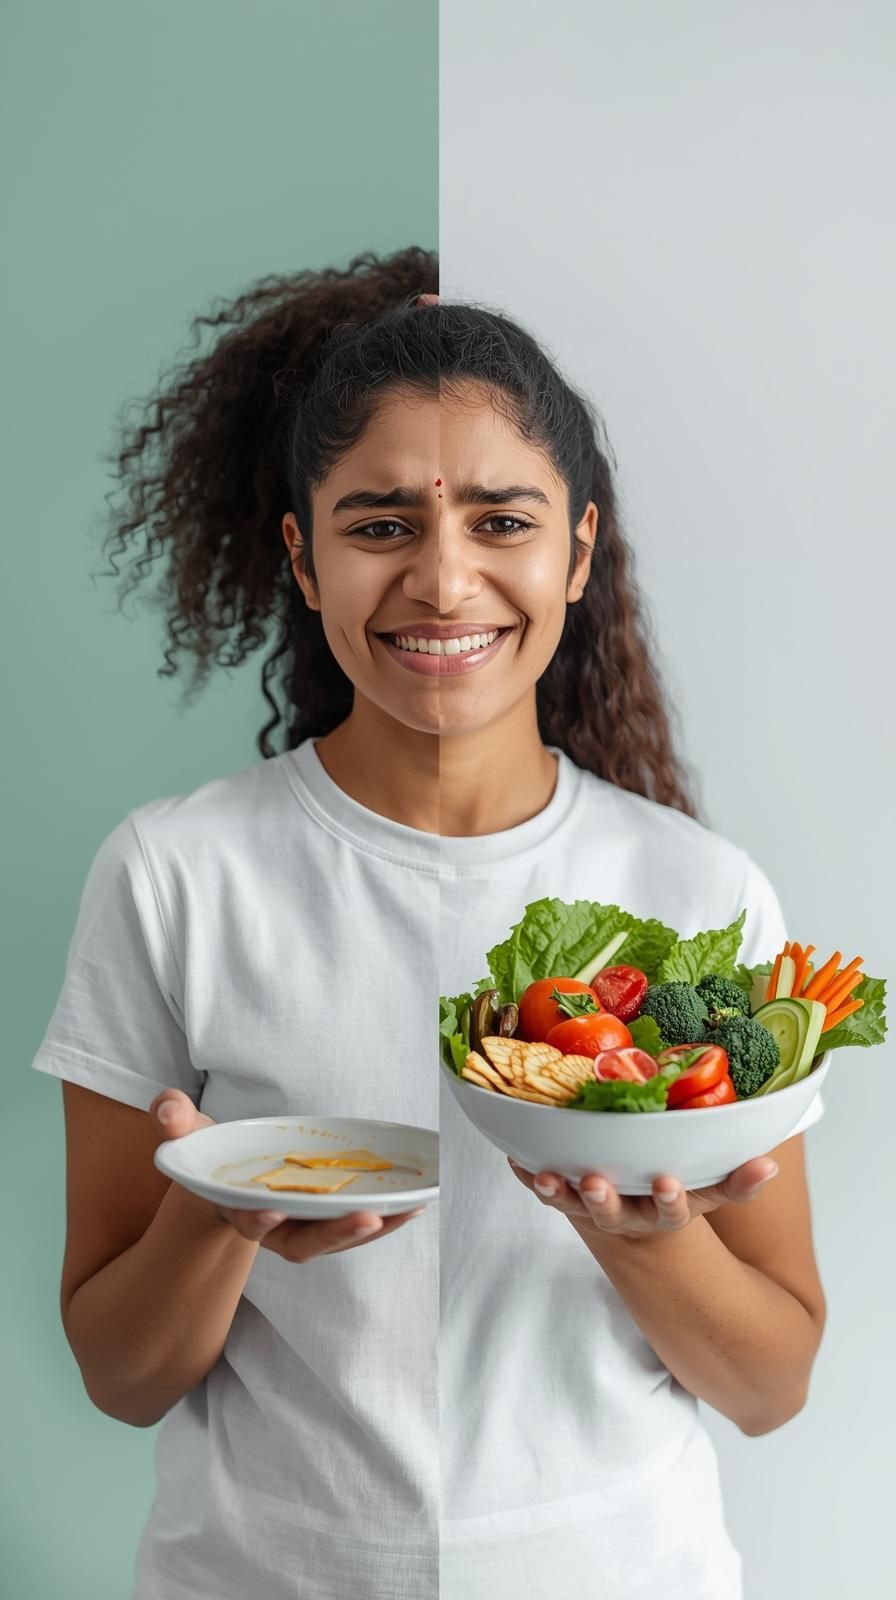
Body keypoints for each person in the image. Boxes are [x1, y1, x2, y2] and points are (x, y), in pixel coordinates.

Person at [31, 245, 827, 1600]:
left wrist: (646, 1237)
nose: (445, 583)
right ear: (304, 558)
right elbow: (121, 1375)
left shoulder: (701, 892)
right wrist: (221, 1214)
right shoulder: (175, 874)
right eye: (382, 526)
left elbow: (770, 1388)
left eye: (503, 523)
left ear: (578, 553)